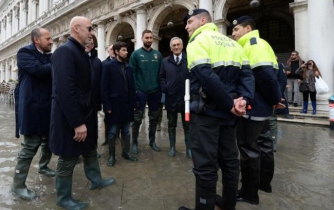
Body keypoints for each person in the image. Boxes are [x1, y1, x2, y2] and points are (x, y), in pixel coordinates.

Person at [179, 9, 255, 210]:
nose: (187, 26)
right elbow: (247, 75)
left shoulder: (197, 42)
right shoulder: (233, 43)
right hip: (229, 116)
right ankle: (228, 205)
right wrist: (243, 100)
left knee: (205, 166)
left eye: (190, 22)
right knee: (230, 161)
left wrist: (230, 104)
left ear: (203, 20)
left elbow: (206, 77)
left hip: (206, 114)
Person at [49, 16, 114, 210]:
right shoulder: (64, 52)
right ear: (76, 28)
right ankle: (63, 198)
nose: (92, 32)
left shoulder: (80, 52)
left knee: (89, 149)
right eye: (89, 28)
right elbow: (64, 90)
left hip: (86, 113)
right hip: (70, 118)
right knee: (68, 157)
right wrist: (77, 122)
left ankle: (96, 180)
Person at [231, 16, 282, 205]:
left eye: (236, 30)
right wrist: (274, 100)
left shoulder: (253, 44)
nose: (233, 34)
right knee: (264, 145)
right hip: (263, 106)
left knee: (248, 149)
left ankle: (249, 193)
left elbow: (266, 76)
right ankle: (263, 184)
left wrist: (274, 99)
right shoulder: (258, 44)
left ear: (248, 28)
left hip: (253, 106)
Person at [12, 28, 55, 201]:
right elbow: (39, 71)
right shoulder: (24, 53)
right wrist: (59, 63)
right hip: (32, 107)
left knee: (49, 141)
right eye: (48, 38)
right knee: (30, 146)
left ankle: (43, 166)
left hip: (47, 106)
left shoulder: (49, 56)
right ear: (37, 40)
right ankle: (18, 185)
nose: (51, 41)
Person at [101, 41, 138, 166]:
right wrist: (107, 106)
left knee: (126, 131)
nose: (126, 52)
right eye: (123, 50)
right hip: (114, 106)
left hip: (127, 106)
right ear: (116, 52)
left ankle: (125, 152)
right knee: (112, 132)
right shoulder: (108, 66)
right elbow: (104, 88)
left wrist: (133, 105)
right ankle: (111, 156)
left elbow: (132, 87)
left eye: (126, 50)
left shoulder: (128, 67)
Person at [129, 29, 162, 153]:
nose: (149, 40)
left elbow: (160, 73)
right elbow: (132, 74)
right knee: (137, 118)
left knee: (154, 118)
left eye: (150, 38)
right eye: (146, 37)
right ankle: (135, 143)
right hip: (141, 92)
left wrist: (159, 88)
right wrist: (136, 90)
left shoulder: (157, 55)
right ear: (142, 38)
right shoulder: (135, 54)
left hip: (154, 92)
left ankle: (152, 142)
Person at [159, 37, 191, 158]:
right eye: (174, 45)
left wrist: (191, 89)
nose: (176, 47)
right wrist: (165, 87)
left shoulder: (189, 59)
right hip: (171, 98)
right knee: (171, 124)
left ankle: (189, 148)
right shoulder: (165, 61)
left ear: (182, 46)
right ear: (170, 47)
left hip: (186, 100)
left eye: (178, 45)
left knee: (187, 124)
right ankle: (172, 147)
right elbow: (161, 77)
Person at [100, 44, 115, 146]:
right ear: (108, 51)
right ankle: (107, 138)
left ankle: (116, 137)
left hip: (118, 97)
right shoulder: (103, 64)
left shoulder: (122, 62)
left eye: (114, 49)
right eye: (111, 49)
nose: (113, 51)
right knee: (107, 119)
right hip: (108, 96)